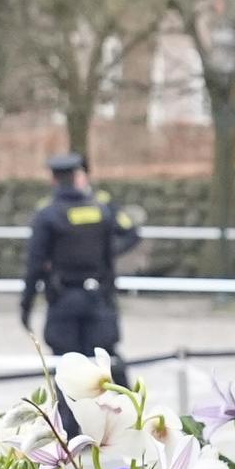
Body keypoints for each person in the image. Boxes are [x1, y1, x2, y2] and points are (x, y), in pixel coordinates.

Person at [21, 153, 137, 367]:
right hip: (98, 299)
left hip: (63, 300)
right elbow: (112, 256)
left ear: (54, 179)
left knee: (67, 370)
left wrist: (25, 306)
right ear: (76, 177)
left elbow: (34, 263)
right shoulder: (102, 211)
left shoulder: (48, 214)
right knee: (104, 365)